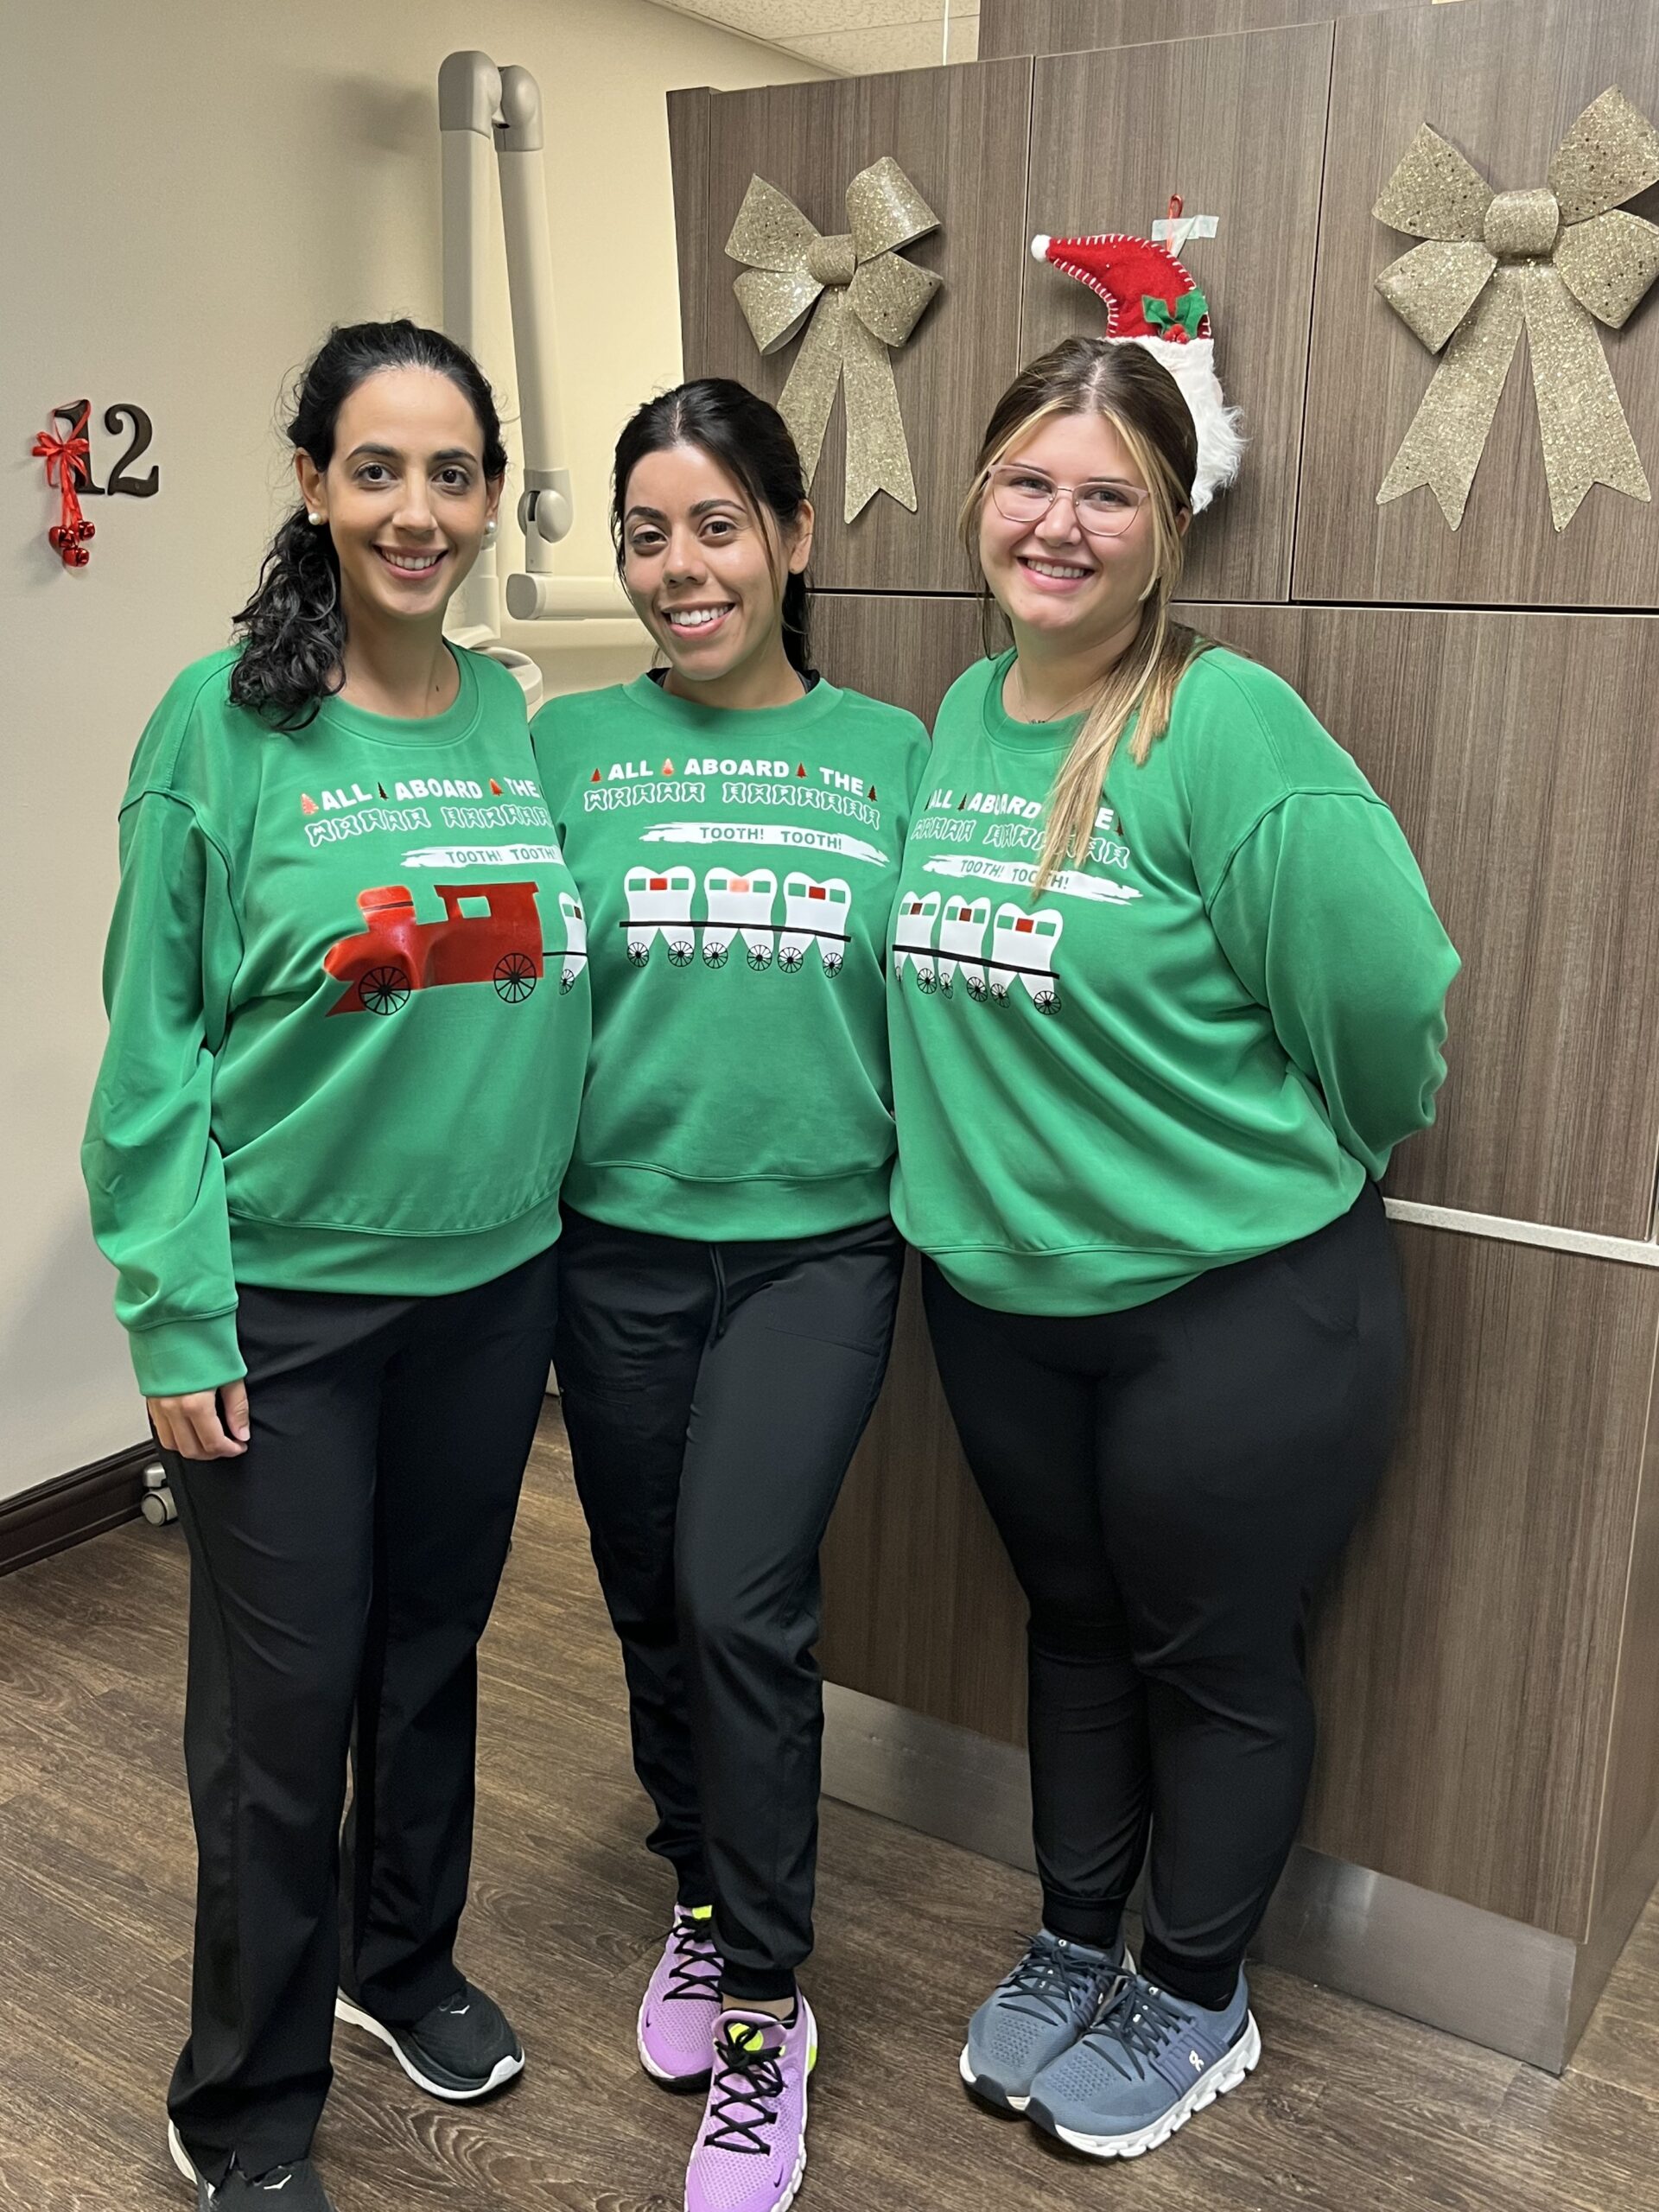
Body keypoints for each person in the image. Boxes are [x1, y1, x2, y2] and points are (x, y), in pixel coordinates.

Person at [887, 336, 1459, 2161]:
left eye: (1108, 490)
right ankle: (1075, 1934)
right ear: (983, 494)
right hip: (1001, 1305)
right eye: (1030, 482)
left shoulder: (1230, 727)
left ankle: (1196, 1988)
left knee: (1215, 1655)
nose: (1059, 523)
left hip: (1238, 1311)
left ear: (1168, 523)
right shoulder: (965, 715)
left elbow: (1388, 1006)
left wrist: (1297, 1157)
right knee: (1072, 1626)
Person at [82, 321, 591, 2211]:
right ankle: (244, 2100)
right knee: (283, 1719)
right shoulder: (214, 728)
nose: (417, 509)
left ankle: (401, 1960)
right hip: (284, 1305)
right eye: (377, 468)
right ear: (312, 481)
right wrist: (170, 1300)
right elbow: (149, 1052)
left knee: (429, 1657)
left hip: (490, 1284)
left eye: (451, 473)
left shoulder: (505, 712)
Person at [532, 378, 929, 2212]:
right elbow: (486, 959)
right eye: (644, 531)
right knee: (642, 1595)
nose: (677, 566)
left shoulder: (895, 751)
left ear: (792, 535)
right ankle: (698, 1891)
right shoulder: (565, 748)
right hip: (607, 1240)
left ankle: (768, 2006)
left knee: (736, 1592)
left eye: (713, 524)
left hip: (817, 1247)